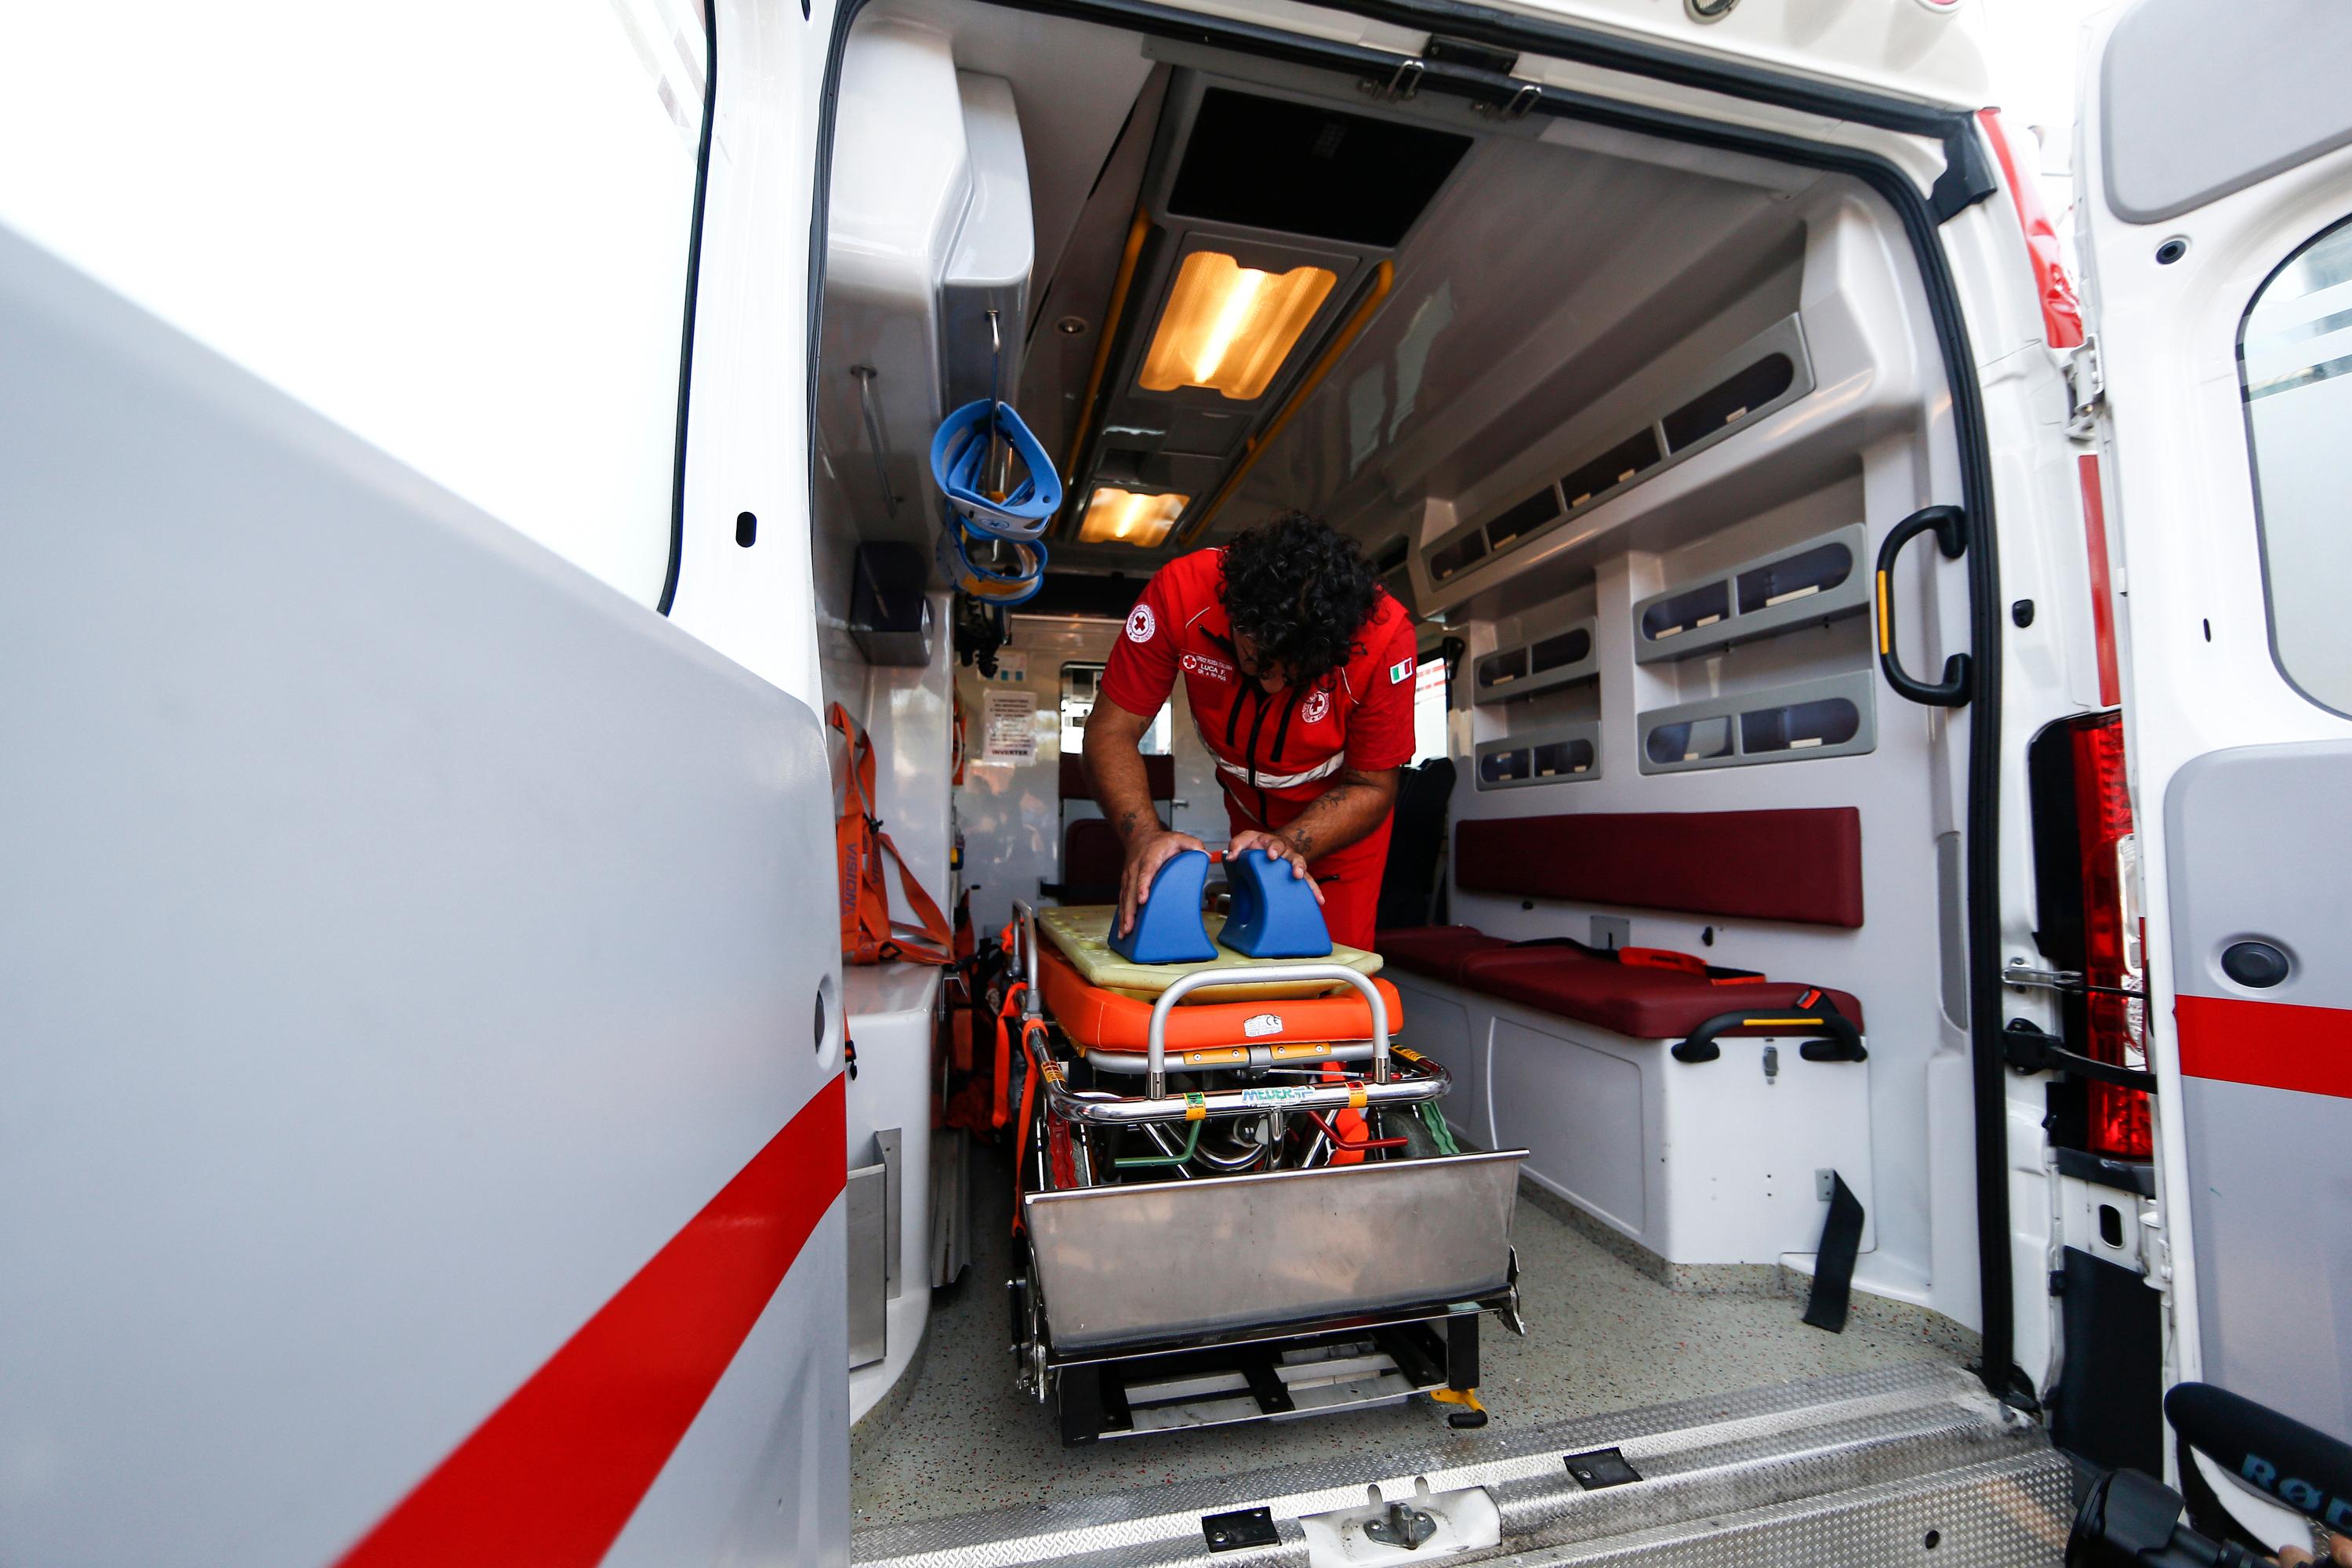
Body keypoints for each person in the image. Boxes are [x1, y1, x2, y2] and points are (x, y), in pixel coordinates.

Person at [1083, 512, 1418, 952]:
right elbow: (1110, 731)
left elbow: (1372, 785)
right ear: (1235, 618)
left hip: (1341, 829)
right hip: (1246, 817)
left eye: (1295, 674)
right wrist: (1143, 835)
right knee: (1247, 961)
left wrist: (1290, 842)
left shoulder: (1385, 637)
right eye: (1256, 662)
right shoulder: (1181, 593)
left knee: (1333, 974)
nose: (1272, 685)